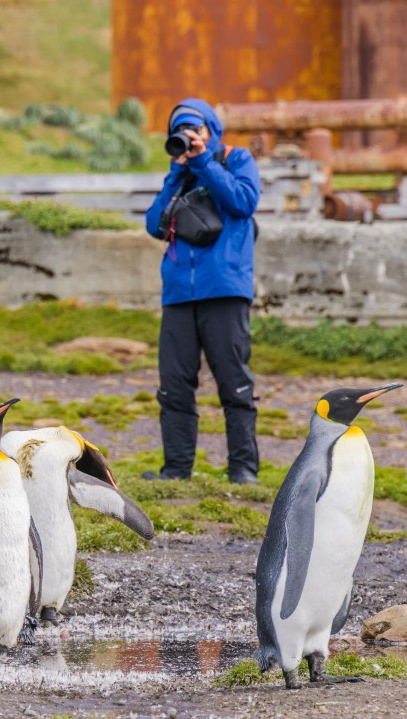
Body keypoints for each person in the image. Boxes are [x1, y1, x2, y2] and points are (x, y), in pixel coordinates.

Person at [142, 98, 260, 484]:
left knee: (234, 383)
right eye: (183, 131)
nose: (191, 137)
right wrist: (178, 174)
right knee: (174, 385)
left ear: (211, 129)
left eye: (198, 130)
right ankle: (176, 470)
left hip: (224, 289)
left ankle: (243, 469)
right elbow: (154, 225)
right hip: (178, 295)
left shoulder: (235, 159)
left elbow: (244, 202)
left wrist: (203, 161)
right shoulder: (181, 175)